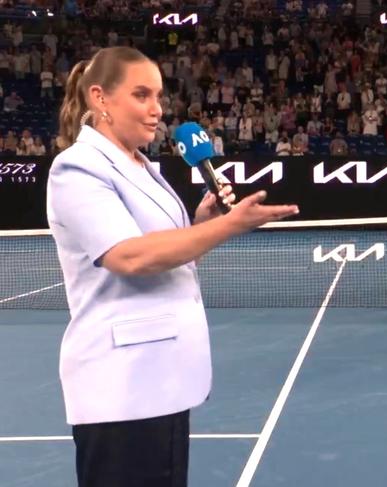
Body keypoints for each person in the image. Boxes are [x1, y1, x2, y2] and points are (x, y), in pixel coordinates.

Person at [46, 46, 299, 487]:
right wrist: (230, 227)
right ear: (100, 98)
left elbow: (169, 256)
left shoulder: (145, 166)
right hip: (121, 387)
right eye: (141, 95)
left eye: (158, 97)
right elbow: (129, 255)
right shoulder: (77, 168)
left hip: (161, 379)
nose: (156, 110)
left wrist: (202, 224)